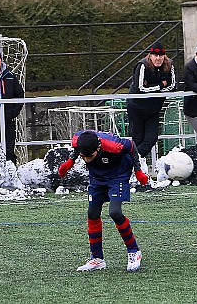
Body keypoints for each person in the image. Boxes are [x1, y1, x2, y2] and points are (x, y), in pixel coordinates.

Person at [58, 130, 148, 272]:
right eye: (84, 157)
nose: (87, 160)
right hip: (97, 177)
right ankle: (97, 259)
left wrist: (138, 171)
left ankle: (134, 251)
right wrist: (70, 161)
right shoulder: (78, 140)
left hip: (118, 174)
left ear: (98, 148)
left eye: (90, 156)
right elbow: (77, 149)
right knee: (92, 213)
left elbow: (131, 146)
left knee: (115, 212)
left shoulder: (114, 145)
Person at [127, 42, 176, 158]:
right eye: (155, 55)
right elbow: (140, 88)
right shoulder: (142, 65)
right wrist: (160, 85)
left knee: (151, 138)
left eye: (161, 56)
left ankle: (131, 161)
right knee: (137, 138)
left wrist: (152, 88)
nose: (158, 58)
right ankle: (134, 165)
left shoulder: (169, 65)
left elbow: (173, 86)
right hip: (136, 107)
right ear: (150, 55)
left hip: (154, 109)